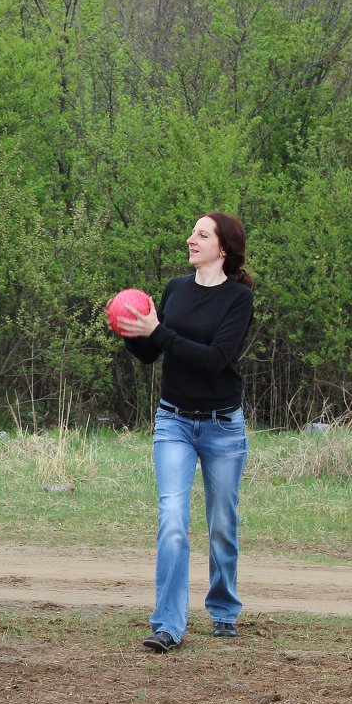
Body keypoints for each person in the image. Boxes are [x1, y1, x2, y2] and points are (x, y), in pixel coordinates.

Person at [116, 212, 255, 652]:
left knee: (221, 525)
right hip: (173, 420)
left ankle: (223, 608)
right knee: (173, 520)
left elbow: (216, 359)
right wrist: (131, 330)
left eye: (202, 234)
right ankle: (168, 625)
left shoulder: (238, 299)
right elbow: (151, 353)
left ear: (223, 248)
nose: (190, 239)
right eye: (193, 233)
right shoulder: (176, 288)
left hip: (222, 427)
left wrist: (159, 330)